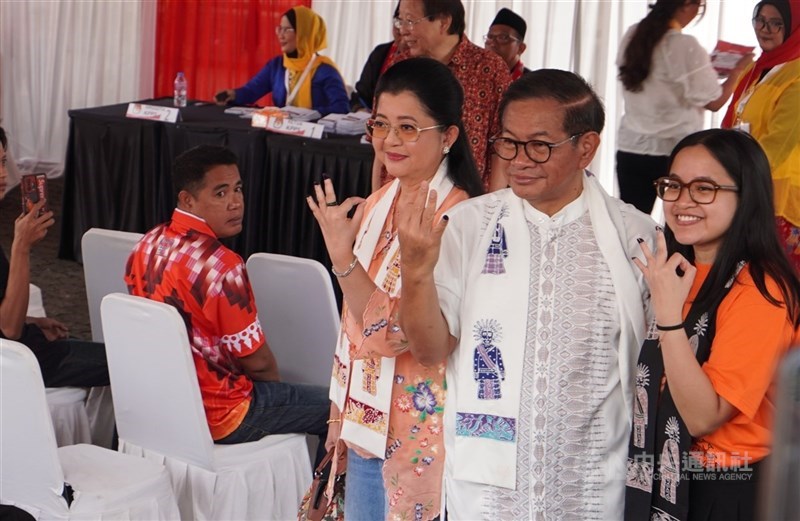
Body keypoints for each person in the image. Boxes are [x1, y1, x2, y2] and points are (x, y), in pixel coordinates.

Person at [398, 70, 658, 520]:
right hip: (489, 490)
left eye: (539, 146)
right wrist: (416, 273)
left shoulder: (634, 236)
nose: (519, 160)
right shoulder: (469, 225)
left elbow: (652, 369)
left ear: (587, 148)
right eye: (509, 143)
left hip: (589, 484)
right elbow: (429, 349)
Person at [307, 58, 483, 521]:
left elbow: (393, 332)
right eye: (381, 124)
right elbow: (353, 322)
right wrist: (337, 410)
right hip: (364, 421)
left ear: (448, 136)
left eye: (408, 127)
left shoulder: (456, 218)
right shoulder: (385, 197)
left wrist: (343, 260)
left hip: (415, 434)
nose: (389, 141)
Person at [624, 129, 800, 520]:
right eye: (673, 185)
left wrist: (669, 319)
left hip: (728, 488)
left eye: (704, 189)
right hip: (665, 476)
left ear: (746, 196)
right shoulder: (677, 269)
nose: (683, 202)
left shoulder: (760, 290)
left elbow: (703, 416)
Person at [125, 145, 329, 460]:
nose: (236, 203)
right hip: (223, 414)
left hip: (162, 401)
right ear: (187, 200)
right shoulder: (222, 264)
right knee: (343, 412)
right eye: (220, 194)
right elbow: (258, 363)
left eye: (238, 189)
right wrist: (274, 393)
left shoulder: (147, 243)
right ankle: (324, 508)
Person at [616, 0, 753, 214]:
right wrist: (738, 71)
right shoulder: (684, 45)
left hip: (631, 147)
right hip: (674, 150)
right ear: (688, 5)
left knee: (631, 226)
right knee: (682, 222)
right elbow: (715, 102)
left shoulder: (633, 33)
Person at [0, 126, 109, 388]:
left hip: (27, 349)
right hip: (21, 363)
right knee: (135, 364)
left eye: (3, 162)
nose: (4, 174)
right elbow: (8, 331)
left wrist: (32, 322)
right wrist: (21, 248)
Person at [388, 0, 512, 191]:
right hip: (398, 196)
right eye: (400, 20)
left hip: (466, 202)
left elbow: (502, 144)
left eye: (410, 20)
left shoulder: (489, 69)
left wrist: (491, 208)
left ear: (444, 22)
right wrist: (376, 201)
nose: (403, 30)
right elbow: (380, 137)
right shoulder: (400, 66)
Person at [722, 0, 800, 273]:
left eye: (776, 23)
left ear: (793, 27)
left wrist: (728, 174)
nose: (764, 29)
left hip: (780, 200)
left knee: (779, 285)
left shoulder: (797, 73)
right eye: (759, 20)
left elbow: (778, 144)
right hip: (746, 187)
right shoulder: (754, 69)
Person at [215, 6, 349, 116]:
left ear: (304, 34)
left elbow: (341, 107)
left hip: (314, 139)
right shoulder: (277, 66)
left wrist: (313, 113)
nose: (280, 35)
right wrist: (233, 95)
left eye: (287, 29)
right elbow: (251, 91)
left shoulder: (324, 70)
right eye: (279, 28)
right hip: (281, 135)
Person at [350, 3, 409, 112]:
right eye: (398, 22)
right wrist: (360, 110)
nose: (402, 30)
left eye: (409, 22)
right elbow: (360, 96)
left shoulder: (430, 58)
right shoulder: (381, 53)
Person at [484, 8, 530, 81]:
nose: (492, 43)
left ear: (521, 48)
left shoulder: (532, 84)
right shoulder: (477, 75)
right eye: (490, 37)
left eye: (502, 38)